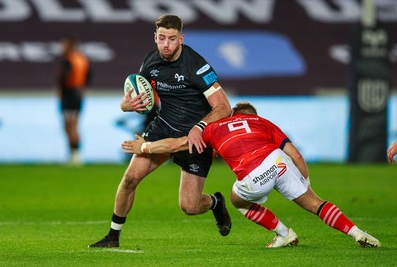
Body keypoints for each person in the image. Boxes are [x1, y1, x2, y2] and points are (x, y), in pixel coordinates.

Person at [122, 102, 381, 248]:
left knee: (237, 201)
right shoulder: (265, 123)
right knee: (315, 204)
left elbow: (177, 144)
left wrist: (144, 147)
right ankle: (357, 232)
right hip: (278, 162)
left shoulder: (214, 128)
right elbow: (297, 155)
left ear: (234, 116)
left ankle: (283, 234)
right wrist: (304, 183)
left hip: (253, 172)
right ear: (253, 117)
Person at [89, 15, 232, 248]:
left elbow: (224, 107)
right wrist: (125, 105)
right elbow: (139, 95)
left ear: (181, 39)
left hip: (194, 137)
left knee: (190, 206)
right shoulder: (151, 61)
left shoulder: (196, 64)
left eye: (172, 39)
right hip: (163, 127)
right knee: (131, 177)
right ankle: (113, 236)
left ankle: (215, 202)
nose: (166, 44)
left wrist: (200, 127)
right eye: (162, 38)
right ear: (155, 37)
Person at [57, 35, 91, 165]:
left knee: (68, 125)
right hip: (79, 93)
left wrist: (60, 92)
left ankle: (73, 153)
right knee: (74, 125)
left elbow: (64, 78)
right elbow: (89, 75)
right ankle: (76, 154)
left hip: (69, 94)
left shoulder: (69, 60)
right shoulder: (82, 59)